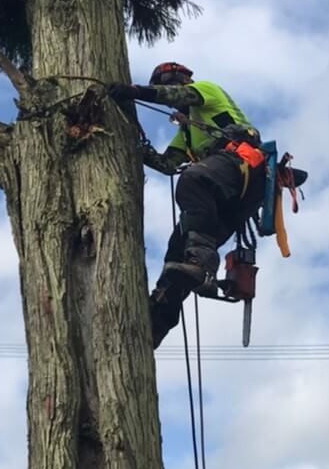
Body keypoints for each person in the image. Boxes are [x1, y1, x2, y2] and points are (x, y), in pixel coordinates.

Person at [108, 62, 269, 348]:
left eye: (170, 81)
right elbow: (168, 163)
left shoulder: (206, 90)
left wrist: (133, 92)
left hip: (243, 164)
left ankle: (201, 261)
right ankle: (156, 322)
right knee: (177, 253)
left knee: (193, 180)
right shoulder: (187, 133)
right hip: (224, 196)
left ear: (181, 80)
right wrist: (135, 147)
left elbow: (174, 96)